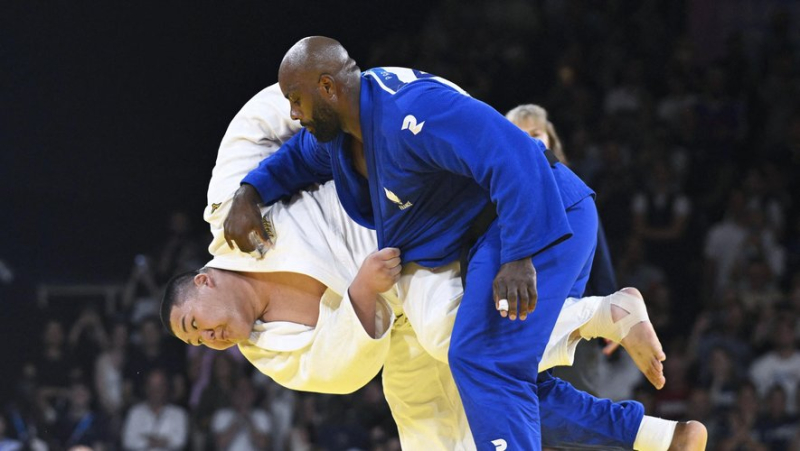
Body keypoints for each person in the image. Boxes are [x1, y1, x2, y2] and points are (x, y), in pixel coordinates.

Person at [222, 36, 667, 449]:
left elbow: (512, 152)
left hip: (539, 213)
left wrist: (518, 254)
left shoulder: (412, 113)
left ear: (327, 87)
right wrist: (250, 193)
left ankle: (607, 318)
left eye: (297, 100)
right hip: (484, 238)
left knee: (483, 357)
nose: (295, 114)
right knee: (475, 361)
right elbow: (297, 157)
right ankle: (658, 436)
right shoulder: (345, 134)